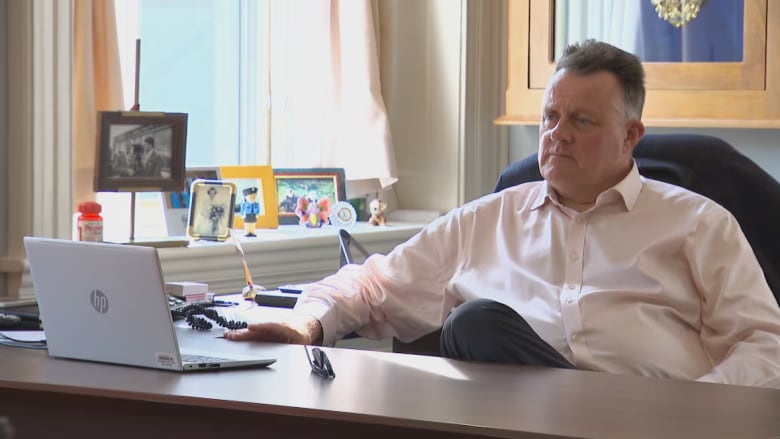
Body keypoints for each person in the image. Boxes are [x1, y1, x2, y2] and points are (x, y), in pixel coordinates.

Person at [225, 40, 780, 388]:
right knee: (477, 323)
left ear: (630, 136)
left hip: (658, 423)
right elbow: (370, 285)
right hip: (519, 428)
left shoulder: (699, 224)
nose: (557, 136)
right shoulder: (487, 220)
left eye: (582, 122)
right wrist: (307, 323)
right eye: (550, 117)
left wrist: (697, 414)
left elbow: (763, 345)